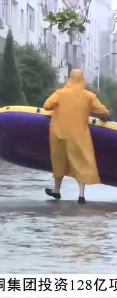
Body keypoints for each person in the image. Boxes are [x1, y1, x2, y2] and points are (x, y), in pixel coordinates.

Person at [43, 69, 110, 204]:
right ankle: (81, 195)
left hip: (59, 134)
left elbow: (47, 106)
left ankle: (56, 190)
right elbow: (104, 111)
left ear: (70, 78)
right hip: (79, 135)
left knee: (59, 162)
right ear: (82, 79)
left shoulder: (60, 93)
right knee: (80, 163)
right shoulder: (88, 96)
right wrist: (104, 116)